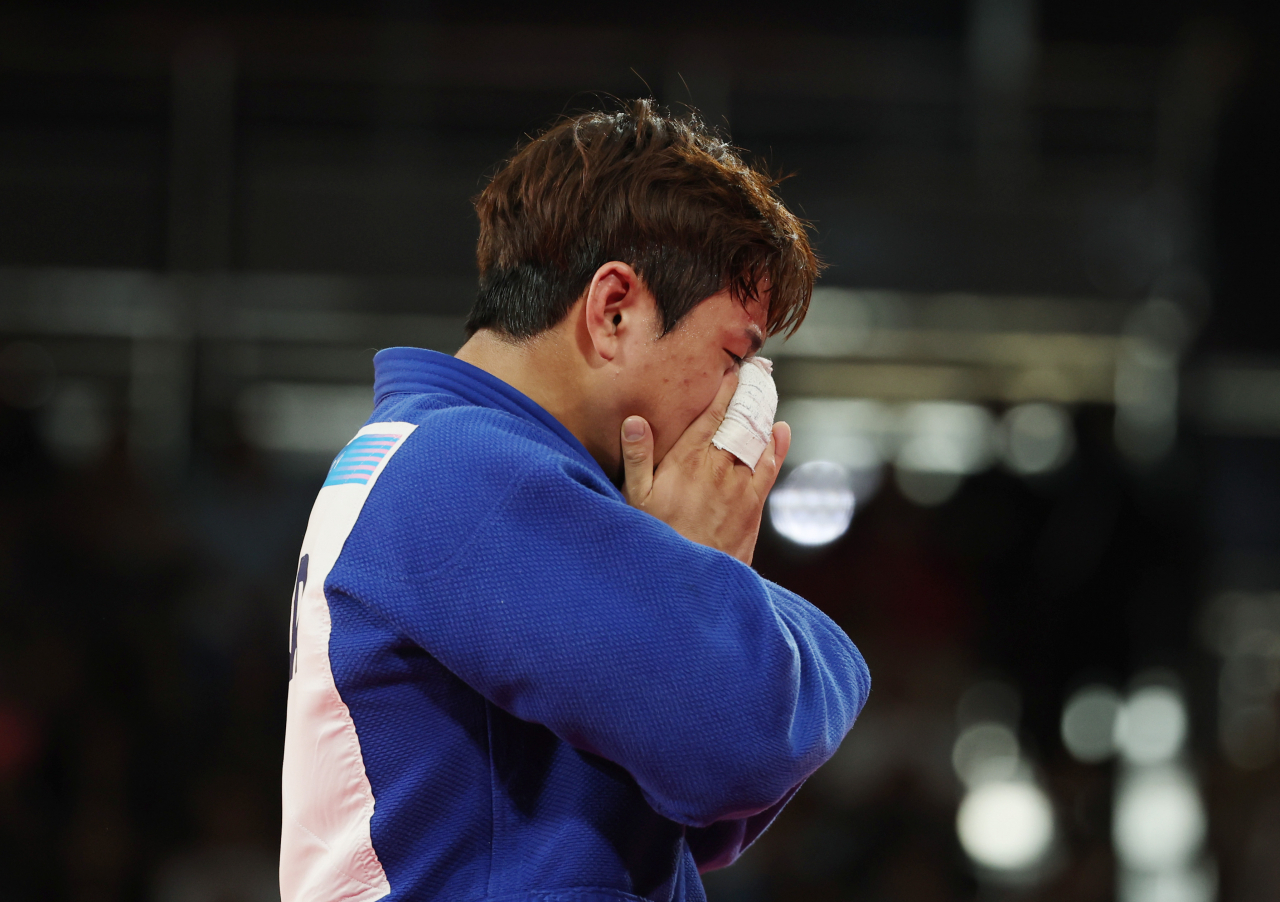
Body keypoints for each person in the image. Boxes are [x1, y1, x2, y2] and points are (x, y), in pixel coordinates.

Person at [279, 99, 870, 902]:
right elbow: (744, 735)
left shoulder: (424, 457)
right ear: (614, 310)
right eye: (736, 356)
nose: (746, 404)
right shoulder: (463, 469)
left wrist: (681, 585)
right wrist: (692, 567)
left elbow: (710, 812)